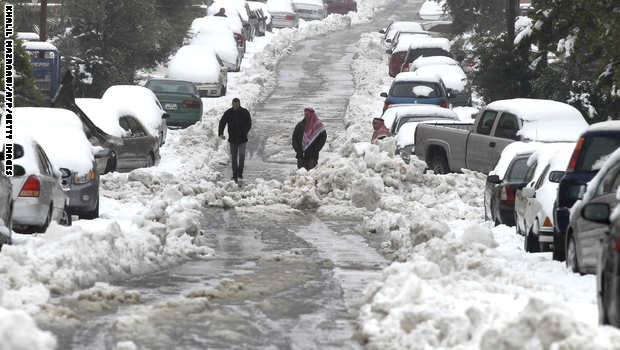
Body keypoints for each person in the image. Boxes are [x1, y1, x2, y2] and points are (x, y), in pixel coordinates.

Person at [219, 98, 252, 182]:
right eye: (234, 105)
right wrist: (221, 133)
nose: (235, 106)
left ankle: (240, 173)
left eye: (237, 105)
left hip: (242, 139)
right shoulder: (229, 112)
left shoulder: (244, 112)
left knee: (241, 156)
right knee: (234, 157)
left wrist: (244, 132)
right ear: (232, 104)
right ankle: (234, 174)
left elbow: (249, 123)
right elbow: (222, 122)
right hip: (232, 139)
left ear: (239, 104)